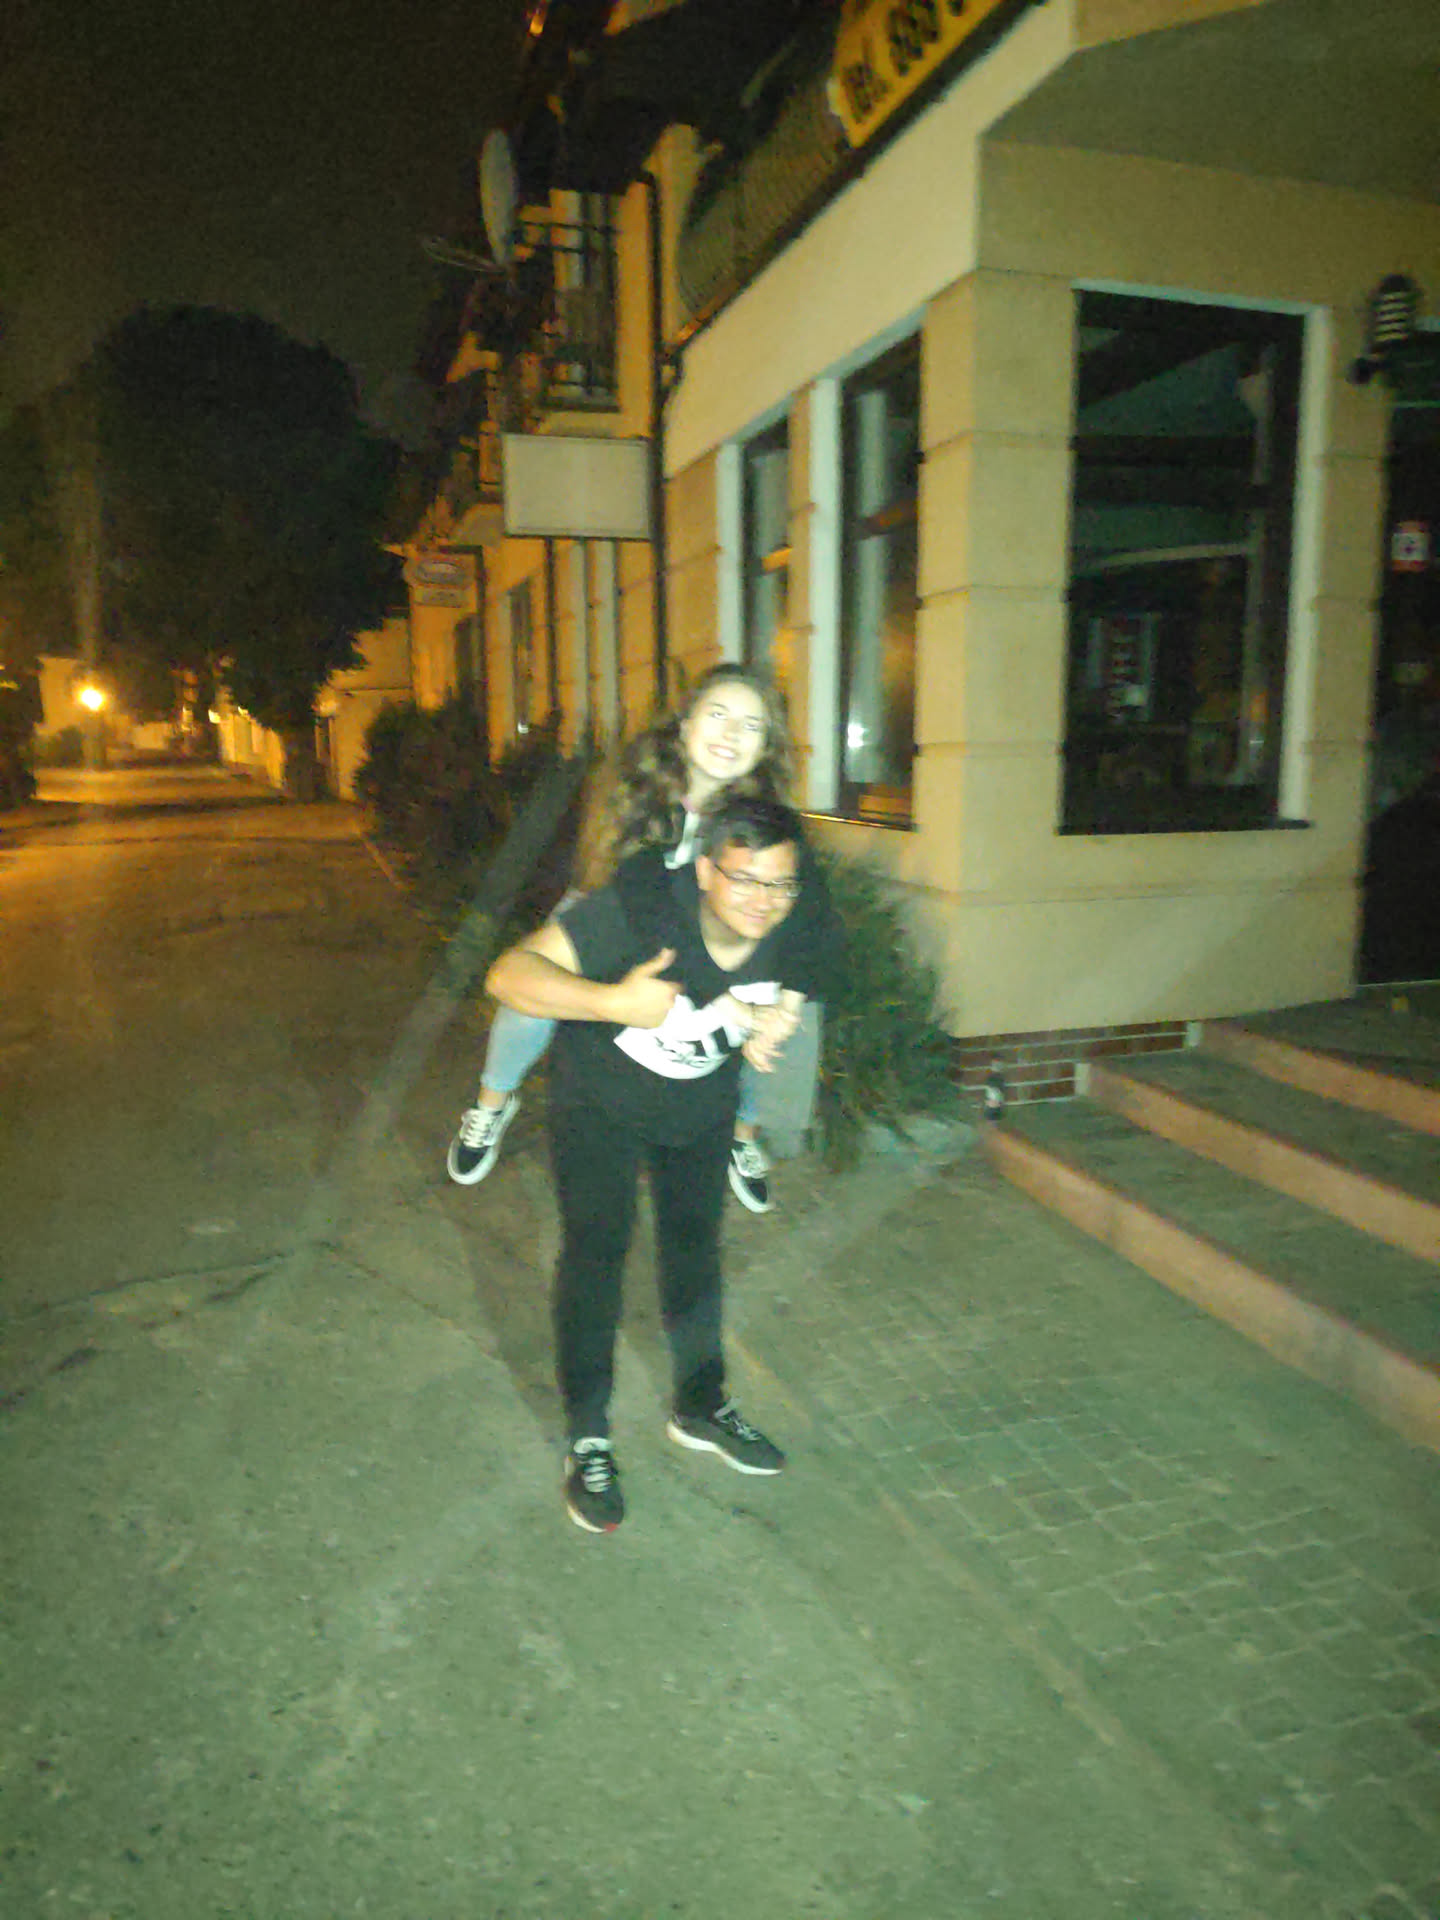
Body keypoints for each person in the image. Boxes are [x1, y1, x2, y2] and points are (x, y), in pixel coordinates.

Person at [484, 796, 811, 1533]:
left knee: (695, 1255)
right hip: (599, 1104)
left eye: (780, 885)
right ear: (706, 871)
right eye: (745, 879)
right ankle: (588, 1438)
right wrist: (612, 1001)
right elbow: (508, 975)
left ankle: (701, 1408)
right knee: (596, 1256)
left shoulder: (792, 926)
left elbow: (805, 974)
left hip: (699, 1110)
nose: (763, 901)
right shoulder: (637, 916)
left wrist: (778, 1020)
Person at [447, 665, 826, 1212]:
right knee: (533, 993)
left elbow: (809, 907)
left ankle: (741, 1134)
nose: (730, 734)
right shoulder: (637, 783)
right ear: (686, 722)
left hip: (703, 929)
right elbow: (634, 901)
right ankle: (492, 1101)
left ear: (766, 745)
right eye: (718, 714)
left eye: (751, 725)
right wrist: (714, 991)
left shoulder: (764, 817)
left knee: (783, 1006)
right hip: (612, 909)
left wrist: (785, 1003)